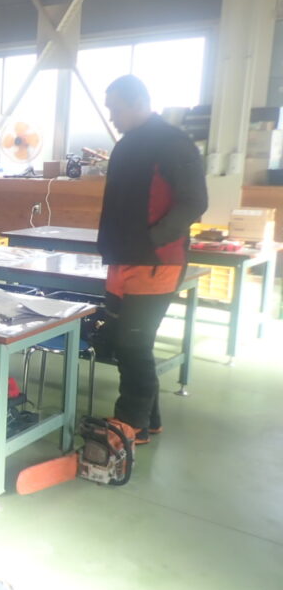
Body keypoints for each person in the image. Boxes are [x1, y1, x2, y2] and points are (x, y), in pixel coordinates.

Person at [96, 75, 208, 442]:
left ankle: (132, 423)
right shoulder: (125, 145)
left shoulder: (174, 144)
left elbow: (195, 201)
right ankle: (150, 418)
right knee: (125, 342)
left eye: (116, 109)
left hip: (156, 261)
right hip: (122, 259)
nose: (112, 117)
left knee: (134, 343)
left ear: (138, 103)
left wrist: (152, 239)